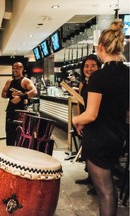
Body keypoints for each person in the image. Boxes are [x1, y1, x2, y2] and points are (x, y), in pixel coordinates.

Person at [72, 19, 129, 216]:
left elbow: (91, 114)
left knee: (105, 192)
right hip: (118, 138)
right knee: (110, 189)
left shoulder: (98, 77)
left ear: (101, 47)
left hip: (98, 139)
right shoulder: (128, 74)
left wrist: (75, 120)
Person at [74, 54, 101, 196]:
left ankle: (98, 184)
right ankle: (90, 177)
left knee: (94, 153)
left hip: (96, 121)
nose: (89, 68)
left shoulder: (100, 83)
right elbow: (80, 103)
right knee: (87, 150)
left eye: (93, 65)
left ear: (98, 67)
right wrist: (79, 120)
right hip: (85, 119)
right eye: (86, 66)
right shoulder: (82, 84)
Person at [1, 62, 37, 146]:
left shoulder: (26, 81)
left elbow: (34, 91)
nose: (15, 69)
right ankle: (9, 156)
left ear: (22, 68)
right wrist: (11, 95)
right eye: (13, 67)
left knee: (20, 137)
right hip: (10, 111)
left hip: (21, 113)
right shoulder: (9, 81)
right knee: (9, 136)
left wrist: (21, 97)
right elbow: (3, 94)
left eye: (17, 67)